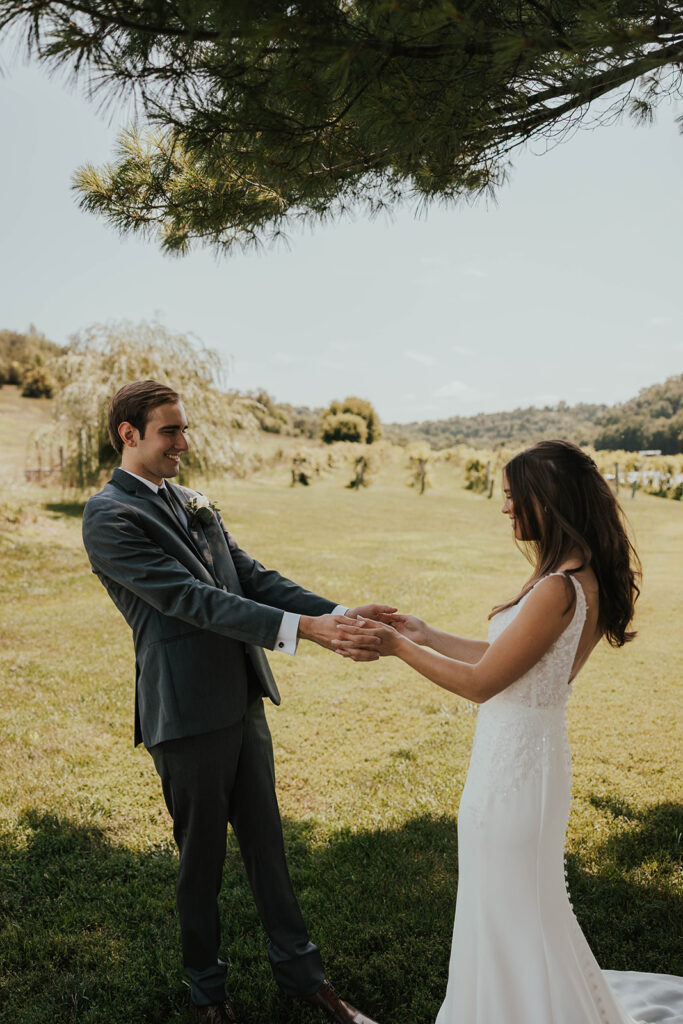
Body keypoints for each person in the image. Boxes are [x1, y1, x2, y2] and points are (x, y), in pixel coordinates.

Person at [337, 440, 683, 1024]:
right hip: (517, 759)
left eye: (510, 497)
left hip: (518, 771)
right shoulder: (574, 575)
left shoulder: (557, 588)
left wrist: (395, 647)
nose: (504, 510)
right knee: (506, 905)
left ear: (545, 502)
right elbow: (512, 660)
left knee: (515, 906)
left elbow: (481, 683)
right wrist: (425, 633)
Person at [82, 379, 393, 1024]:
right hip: (186, 711)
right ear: (129, 435)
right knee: (201, 862)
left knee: (267, 846)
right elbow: (192, 601)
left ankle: (306, 979)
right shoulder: (110, 517)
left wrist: (333, 611)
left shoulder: (191, 502)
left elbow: (247, 576)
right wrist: (305, 631)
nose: (183, 443)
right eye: (170, 431)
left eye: (184, 429)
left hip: (242, 699)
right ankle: (209, 996)